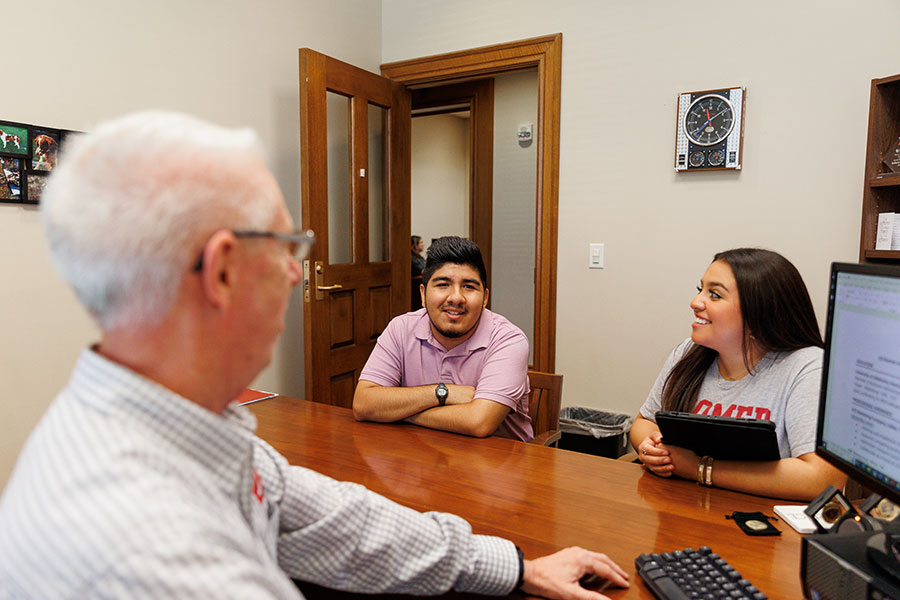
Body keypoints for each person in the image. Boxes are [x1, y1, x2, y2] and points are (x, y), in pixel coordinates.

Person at [0, 111, 628, 599]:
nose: (300, 275)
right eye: (287, 246)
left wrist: (513, 565)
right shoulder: (150, 550)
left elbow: (331, 518)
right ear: (222, 272)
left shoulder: (189, 422)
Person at [629, 248, 846, 501]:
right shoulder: (688, 353)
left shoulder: (808, 367)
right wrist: (651, 448)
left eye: (714, 294)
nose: (696, 302)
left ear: (759, 312)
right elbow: (644, 422)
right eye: (700, 290)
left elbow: (823, 479)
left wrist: (700, 468)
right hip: (682, 511)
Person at [353, 236, 534, 441]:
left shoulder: (508, 340)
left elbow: (479, 422)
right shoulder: (400, 328)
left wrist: (399, 411)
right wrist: (442, 393)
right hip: (421, 458)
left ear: (484, 298)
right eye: (443, 284)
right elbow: (363, 404)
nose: (456, 297)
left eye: (469, 286)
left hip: (500, 465)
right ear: (423, 295)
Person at [411, 234, 425, 310]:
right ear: (415, 244)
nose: (423, 245)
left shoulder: (418, 257)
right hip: (416, 285)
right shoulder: (412, 258)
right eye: (421, 242)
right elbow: (423, 270)